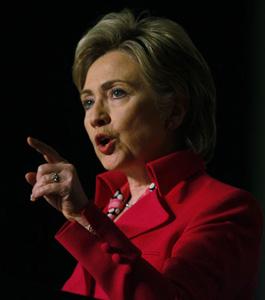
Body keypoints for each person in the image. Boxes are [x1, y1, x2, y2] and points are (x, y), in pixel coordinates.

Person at [25, 8, 263, 300]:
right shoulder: (108, 208)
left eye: (117, 93)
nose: (95, 116)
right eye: (88, 101)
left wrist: (85, 217)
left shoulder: (226, 209)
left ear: (173, 111)